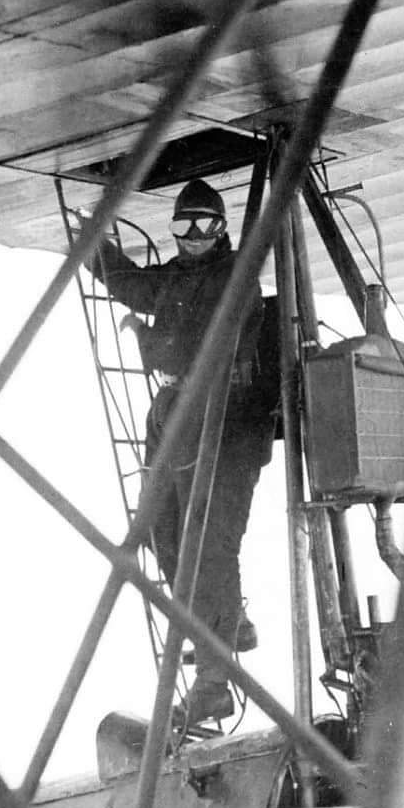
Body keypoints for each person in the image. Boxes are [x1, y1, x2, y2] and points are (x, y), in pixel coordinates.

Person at [90, 179, 274, 730]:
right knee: (162, 532)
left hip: (227, 424)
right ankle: (224, 621)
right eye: (182, 226)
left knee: (211, 543)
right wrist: (93, 243)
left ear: (221, 227)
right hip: (174, 415)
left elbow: (203, 344)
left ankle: (214, 683)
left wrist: (146, 340)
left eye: (203, 225)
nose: (192, 236)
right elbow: (134, 285)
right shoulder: (177, 275)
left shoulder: (233, 278)